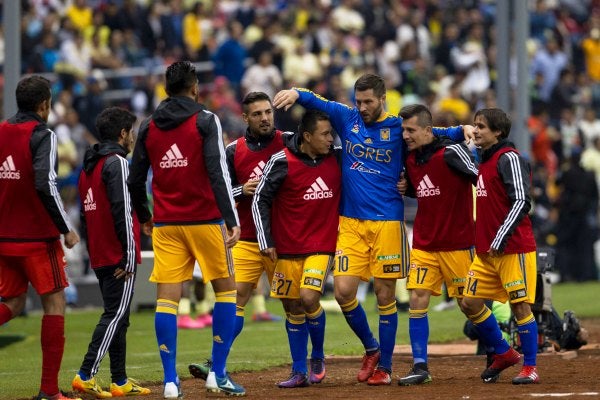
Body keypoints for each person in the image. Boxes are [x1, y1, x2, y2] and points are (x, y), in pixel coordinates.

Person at [273, 74, 470, 385]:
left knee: (384, 295)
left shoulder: (398, 128)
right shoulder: (346, 117)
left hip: (388, 222)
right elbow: (316, 101)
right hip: (350, 222)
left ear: (382, 100)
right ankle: (372, 347)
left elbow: (436, 133)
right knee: (343, 292)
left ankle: (386, 367)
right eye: (358, 101)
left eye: (368, 102)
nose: (362, 107)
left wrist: (464, 130)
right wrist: (294, 92)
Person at [127, 61, 245, 397]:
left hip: (166, 224)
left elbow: (135, 178)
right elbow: (217, 171)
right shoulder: (206, 120)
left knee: (167, 300)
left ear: (166, 89)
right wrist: (231, 218)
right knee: (226, 291)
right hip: (205, 220)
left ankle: (169, 382)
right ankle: (217, 374)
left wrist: (145, 214)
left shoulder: (148, 126)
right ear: (194, 88)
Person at [188, 91, 286, 381]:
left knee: (297, 303)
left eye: (268, 112)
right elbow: (217, 192)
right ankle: (216, 363)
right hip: (246, 240)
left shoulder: (289, 141)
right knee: (234, 300)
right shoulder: (233, 151)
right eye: (257, 114)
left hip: (282, 241)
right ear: (245, 117)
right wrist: (240, 190)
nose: (265, 118)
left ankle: (307, 364)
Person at [0, 75, 81, 400]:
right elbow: (44, 183)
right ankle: (49, 391)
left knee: (13, 302)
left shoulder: (1, 130)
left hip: (4, 236)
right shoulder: (42, 135)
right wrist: (66, 228)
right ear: (45, 104)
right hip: (36, 237)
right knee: (55, 303)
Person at [252, 109, 340, 387]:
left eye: (332, 133)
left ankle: (317, 356)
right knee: (292, 308)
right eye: (325, 134)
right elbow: (259, 201)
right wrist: (266, 242)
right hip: (287, 249)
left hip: (322, 246)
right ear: (307, 136)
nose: (331, 139)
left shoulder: (338, 158)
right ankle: (298, 370)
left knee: (309, 297)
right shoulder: (280, 161)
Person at [396, 104, 478, 386]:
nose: (404, 135)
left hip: (457, 243)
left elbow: (480, 177)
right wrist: (410, 189)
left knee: (468, 304)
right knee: (417, 298)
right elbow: (427, 191)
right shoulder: (410, 159)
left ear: (428, 130)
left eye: (410, 130)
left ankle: (500, 351)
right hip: (424, 243)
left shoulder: (452, 153)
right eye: (403, 130)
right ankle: (420, 366)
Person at [72, 107, 150, 397]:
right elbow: (122, 208)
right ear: (122, 134)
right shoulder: (117, 162)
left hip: (101, 254)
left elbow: (84, 216)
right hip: (119, 255)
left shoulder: (88, 168)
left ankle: (119, 380)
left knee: (120, 317)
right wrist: (129, 254)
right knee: (114, 315)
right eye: (132, 131)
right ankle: (86, 374)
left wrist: (94, 253)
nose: (133, 137)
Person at [460, 108, 540, 385]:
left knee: (521, 308)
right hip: (486, 252)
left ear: (498, 132)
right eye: (475, 125)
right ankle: (504, 352)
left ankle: (530, 367)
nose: (476, 130)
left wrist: (500, 237)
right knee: (468, 302)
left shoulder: (509, 158)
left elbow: (521, 201)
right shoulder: (484, 160)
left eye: (482, 126)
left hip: (512, 248)